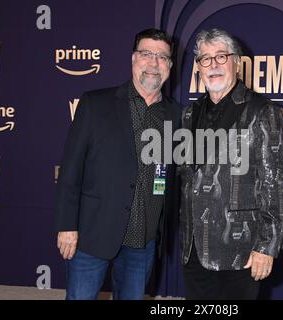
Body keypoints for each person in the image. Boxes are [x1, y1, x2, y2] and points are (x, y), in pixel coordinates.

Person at [55, 28, 182, 300]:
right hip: (93, 233)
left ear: (170, 66)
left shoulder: (176, 115)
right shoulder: (95, 104)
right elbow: (70, 169)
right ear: (133, 59)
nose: (153, 63)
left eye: (162, 57)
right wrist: (67, 226)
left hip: (143, 239)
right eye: (146, 54)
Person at [179, 29, 283, 299]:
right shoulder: (189, 113)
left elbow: (275, 185)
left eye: (221, 56)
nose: (213, 65)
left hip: (240, 250)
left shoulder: (264, 111)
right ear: (198, 67)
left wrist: (267, 246)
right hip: (193, 248)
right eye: (205, 59)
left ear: (237, 63)